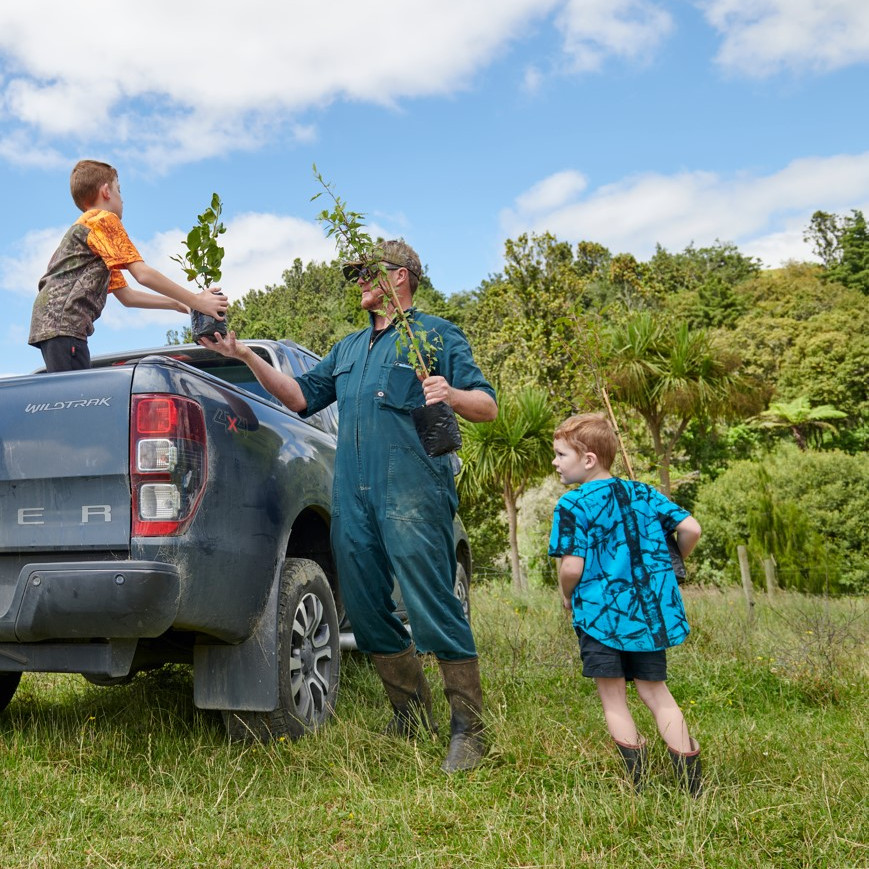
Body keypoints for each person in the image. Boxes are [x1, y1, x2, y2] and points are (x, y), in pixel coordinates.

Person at [201, 239, 498, 773]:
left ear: (400, 277)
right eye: (354, 272)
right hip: (353, 498)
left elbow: (488, 407)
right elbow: (297, 397)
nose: (358, 279)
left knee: (433, 603)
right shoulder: (349, 349)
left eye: (367, 271)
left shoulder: (435, 335)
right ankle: (410, 715)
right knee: (361, 608)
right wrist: (244, 355)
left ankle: (469, 729)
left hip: (413, 492)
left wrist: (449, 393)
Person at [549, 413, 704, 795]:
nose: (554, 462)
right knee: (657, 694)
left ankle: (639, 785)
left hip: (601, 616)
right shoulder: (644, 493)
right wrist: (669, 564)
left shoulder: (572, 505)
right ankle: (691, 786)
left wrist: (566, 593)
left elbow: (572, 565)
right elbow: (691, 529)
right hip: (649, 617)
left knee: (613, 698)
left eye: (559, 454)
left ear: (588, 459)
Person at [29, 159, 228, 372]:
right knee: (73, 398)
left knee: (74, 393)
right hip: (64, 325)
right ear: (106, 191)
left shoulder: (93, 233)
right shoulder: (102, 220)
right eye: (119, 190)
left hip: (57, 325)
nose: (122, 199)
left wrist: (179, 304)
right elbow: (142, 274)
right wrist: (197, 301)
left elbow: (127, 296)